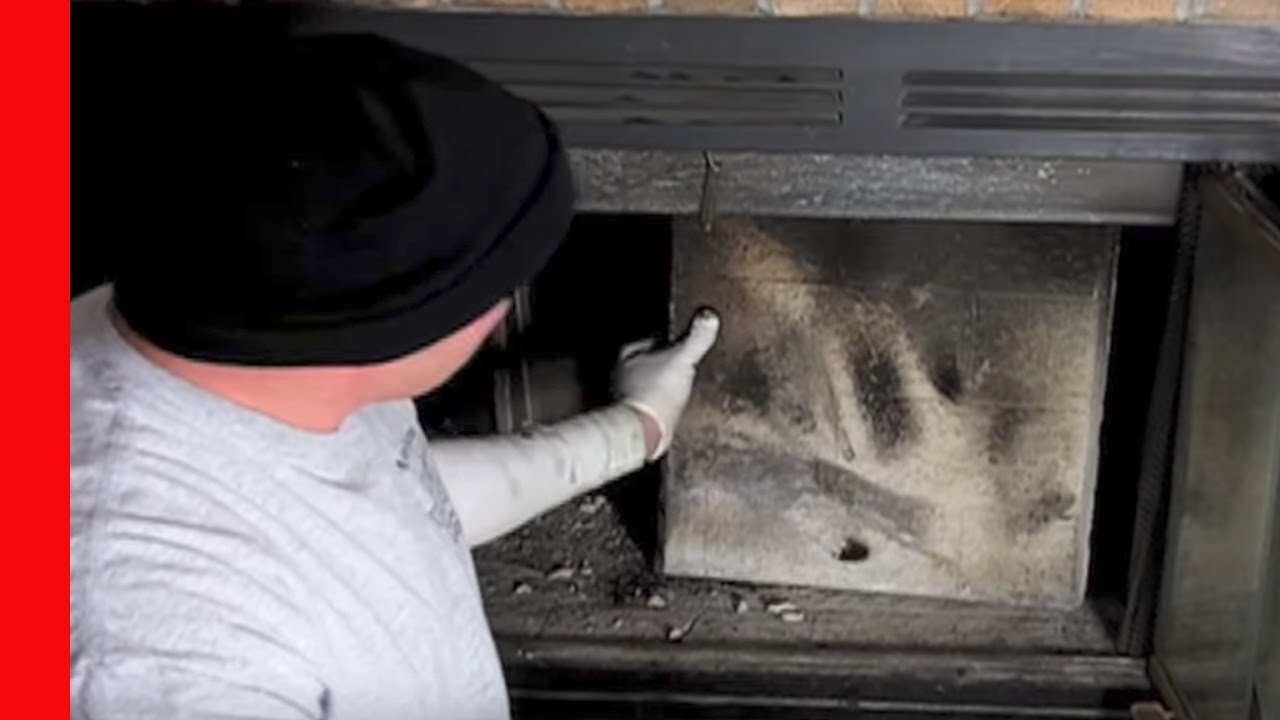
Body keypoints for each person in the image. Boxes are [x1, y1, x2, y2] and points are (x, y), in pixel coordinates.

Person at [70, 31, 719, 719]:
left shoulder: (232, 318)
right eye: (498, 286)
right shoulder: (163, 658)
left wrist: (634, 431)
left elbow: (398, 507)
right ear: (402, 331)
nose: (505, 303)